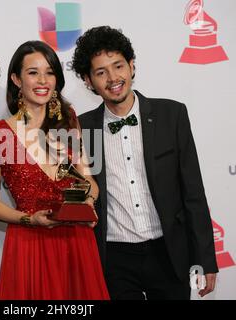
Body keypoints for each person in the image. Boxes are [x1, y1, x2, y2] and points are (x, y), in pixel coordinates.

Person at [72, 26, 218, 300]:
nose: (113, 78)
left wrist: (205, 260)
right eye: (101, 72)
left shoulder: (171, 115)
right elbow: (83, 193)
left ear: (132, 66)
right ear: (88, 80)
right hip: (114, 258)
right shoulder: (83, 129)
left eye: (118, 66)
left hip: (168, 252)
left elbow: (194, 194)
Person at [0, 40, 109, 300]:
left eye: (50, 72)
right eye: (33, 72)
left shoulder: (69, 120)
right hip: (28, 245)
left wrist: (87, 202)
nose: (43, 80)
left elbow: (89, 180)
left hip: (76, 243)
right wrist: (29, 219)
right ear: (16, 79)